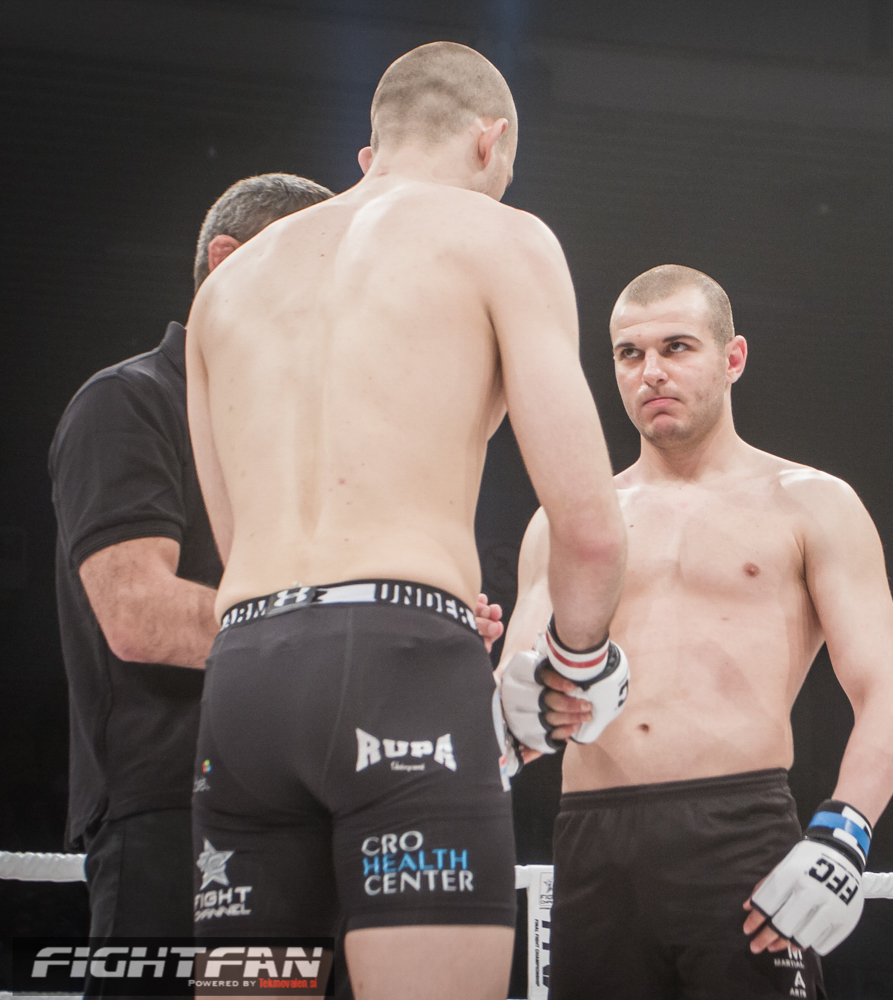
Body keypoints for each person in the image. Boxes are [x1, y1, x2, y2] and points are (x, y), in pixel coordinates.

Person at [184, 42, 627, 1000]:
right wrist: (574, 666)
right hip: (402, 674)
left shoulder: (225, 290)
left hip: (246, 673)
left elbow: (233, 541)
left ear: (371, 152)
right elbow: (590, 526)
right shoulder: (500, 237)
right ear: (490, 141)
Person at [491, 263, 893, 999]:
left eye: (677, 347)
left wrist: (845, 834)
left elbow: (888, 692)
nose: (651, 372)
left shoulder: (812, 505)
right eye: (630, 354)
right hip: (593, 841)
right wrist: (492, 686)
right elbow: (518, 699)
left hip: (739, 832)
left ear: (733, 357)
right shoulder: (571, 524)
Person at [49, 174, 332, 973]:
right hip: (170, 807)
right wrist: (338, 628)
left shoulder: (301, 437)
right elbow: (139, 614)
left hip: (300, 798)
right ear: (228, 261)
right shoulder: (128, 402)